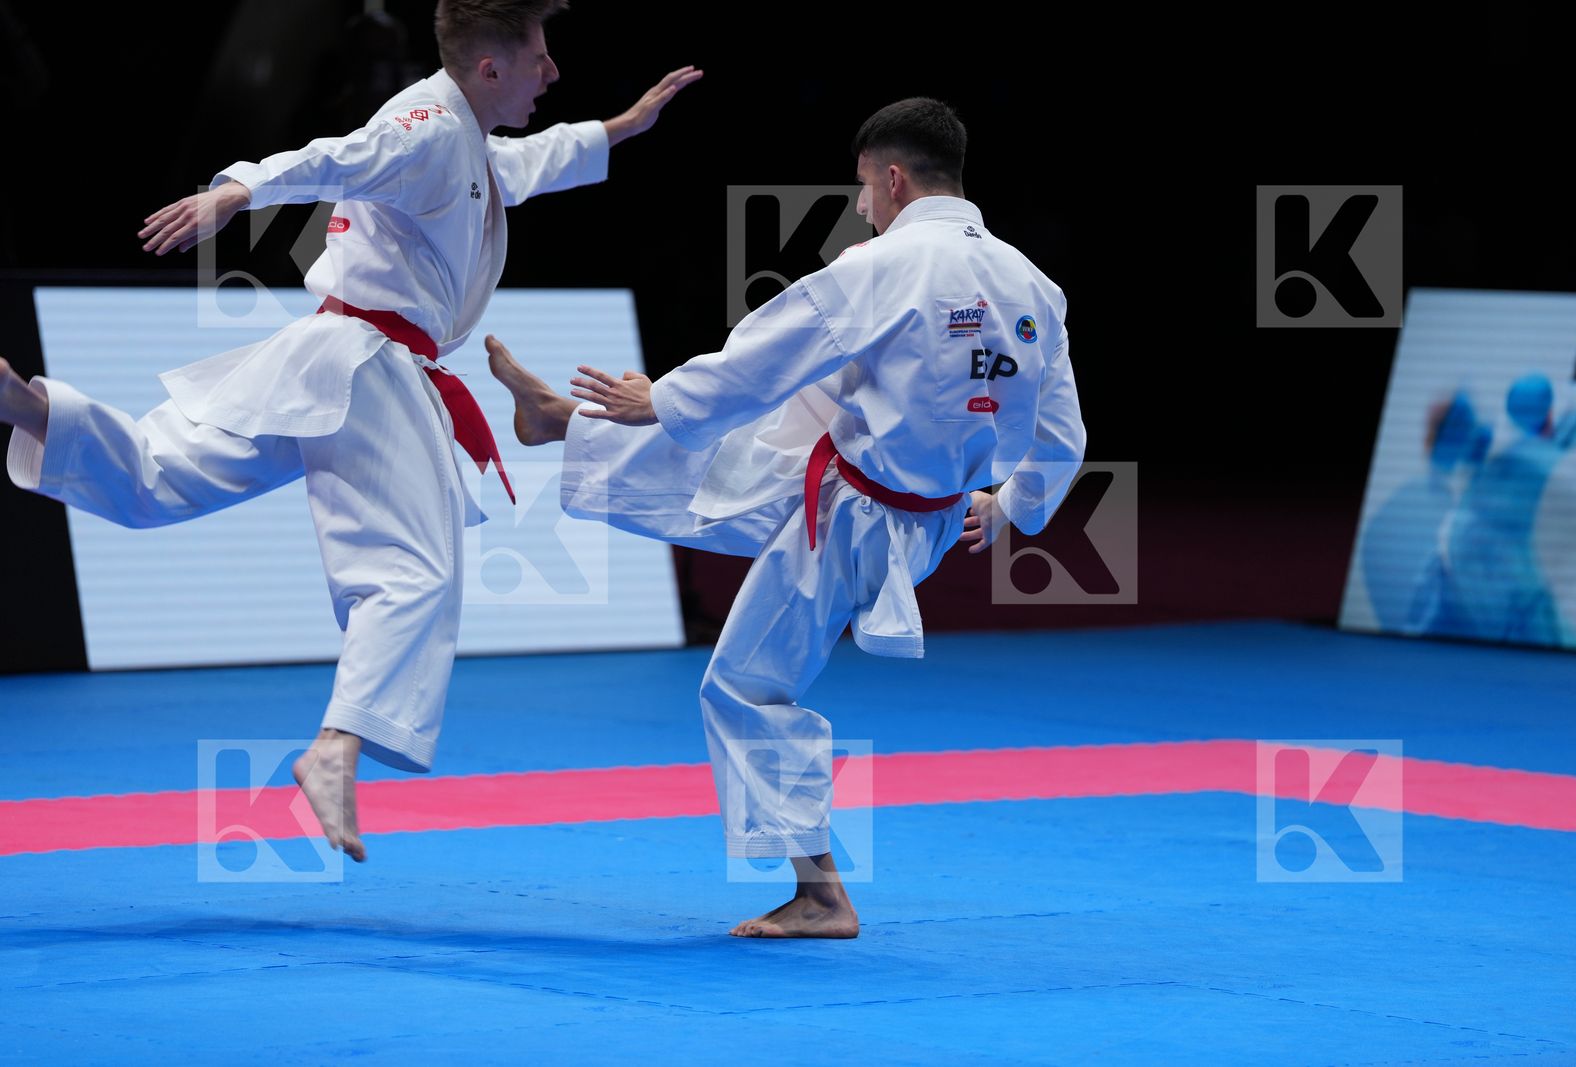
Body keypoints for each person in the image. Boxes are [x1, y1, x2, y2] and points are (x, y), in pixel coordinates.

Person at [0, 0, 700, 863]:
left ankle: (33, 408)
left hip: (334, 361)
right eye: (540, 57)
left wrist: (622, 127)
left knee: (158, 480)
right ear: (490, 68)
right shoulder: (424, 126)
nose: (552, 74)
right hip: (370, 367)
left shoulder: (466, 140)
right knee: (416, 570)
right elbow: (339, 157)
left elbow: (522, 164)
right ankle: (335, 747)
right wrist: (238, 189)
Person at [488, 97, 1086, 937]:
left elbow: (763, 350)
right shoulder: (1034, 285)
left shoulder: (880, 268)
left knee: (743, 686)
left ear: (891, 176)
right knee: (749, 452)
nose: (861, 207)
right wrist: (1013, 505)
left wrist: (658, 398)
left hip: (853, 521)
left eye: (864, 189)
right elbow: (1061, 435)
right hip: (917, 508)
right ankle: (559, 421)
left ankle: (822, 894)